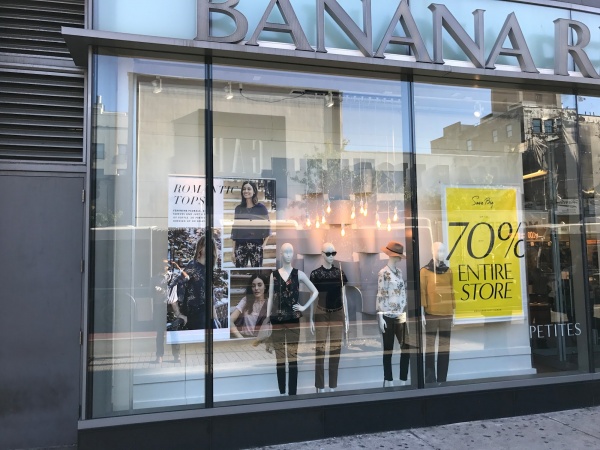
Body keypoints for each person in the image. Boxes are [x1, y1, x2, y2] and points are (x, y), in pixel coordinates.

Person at [267, 243, 319, 396]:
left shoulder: (299, 274)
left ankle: (292, 394)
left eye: (291, 252)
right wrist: (267, 319)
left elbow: (315, 291)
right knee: (280, 358)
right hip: (277, 320)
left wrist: (304, 307)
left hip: (293, 320)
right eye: (285, 252)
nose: (288, 255)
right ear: (281, 254)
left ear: (294, 254)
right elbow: (270, 298)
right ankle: (282, 392)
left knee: (292, 357)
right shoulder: (274, 275)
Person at [310, 242, 348, 393]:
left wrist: (346, 317)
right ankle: (320, 386)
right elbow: (313, 297)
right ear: (322, 254)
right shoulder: (315, 274)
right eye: (328, 253)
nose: (331, 256)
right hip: (321, 313)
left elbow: (344, 296)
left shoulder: (340, 273)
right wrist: (311, 318)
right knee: (320, 350)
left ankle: (333, 386)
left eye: (334, 253)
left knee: (335, 350)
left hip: (337, 313)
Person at [420, 242, 455, 384]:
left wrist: (453, 312)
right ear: (432, 251)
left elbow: (452, 291)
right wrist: (422, 312)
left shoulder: (449, 271)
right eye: (439, 250)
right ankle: (430, 380)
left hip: (446, 314)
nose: (442, 253)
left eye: (443, 251)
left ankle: (442, 379)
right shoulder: (424, 271)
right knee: (430, 348)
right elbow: (422, 292)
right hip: (431, 314)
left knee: (444, 348)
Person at [377, 240, 410, 387]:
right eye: (398, 255)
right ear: (392, 255)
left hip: (400, 315)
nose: (399, 258)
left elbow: (402, 293)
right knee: (388, 350)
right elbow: (381, 294)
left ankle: (403, 379)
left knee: (406, 348)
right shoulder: (383, 273)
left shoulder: (399, 272)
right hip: (388, 316)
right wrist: (380, 316)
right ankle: (388, 379)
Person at [179, 234, 218, 330]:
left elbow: (210, 296)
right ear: (200, 247)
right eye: (206, 245)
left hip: (206, 313)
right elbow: (178, 286)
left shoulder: (208, 268)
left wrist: (215, 318)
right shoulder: (193, 266)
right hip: (195, 314)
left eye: (211, 245)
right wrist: (179, 313)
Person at [231, 181, 271, 267]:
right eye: (244, 189)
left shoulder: (261, 208)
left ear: (254, 191)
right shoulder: (238, 209)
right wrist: (233, 251)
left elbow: (267, 226)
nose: (246, 191)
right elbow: (235, 230)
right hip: (240, 245)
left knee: (257, 271)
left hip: (256, 245)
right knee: (240, 271)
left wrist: (263, 246)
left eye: (249, 189)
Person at [230, 274, 269, 338]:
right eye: (253, 286)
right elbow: (230, 321)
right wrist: (241, 338)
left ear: (265, 286)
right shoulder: (246, 300)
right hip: (245, 339)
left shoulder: (269, 303)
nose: (256, 288)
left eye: (259, 285)